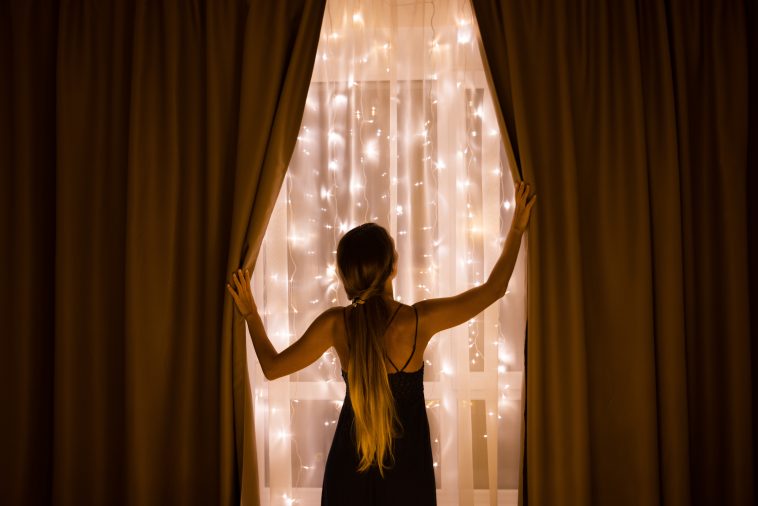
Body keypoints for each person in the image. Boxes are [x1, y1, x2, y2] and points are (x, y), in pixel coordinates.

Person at [227, 181, 536, 505]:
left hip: (349, 472)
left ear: (347, 276)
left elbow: (273, 367)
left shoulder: (336, 324)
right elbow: (494, 289)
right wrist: (516, 227)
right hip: (408, 474)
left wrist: (250, 313)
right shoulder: (419, 320)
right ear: (392, 267)